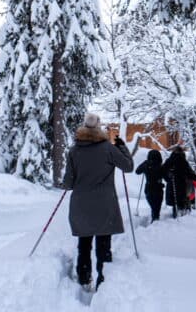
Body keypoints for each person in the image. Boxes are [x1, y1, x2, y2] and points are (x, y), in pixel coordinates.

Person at [62, 113, 133, 290]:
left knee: (84, 246)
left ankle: (84, 280)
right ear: (99, 127)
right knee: (103, 247)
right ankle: (103, 283)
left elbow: (68, 183)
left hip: (81, 206)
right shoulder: (108, 149)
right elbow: (128, 167)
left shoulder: (74, 151)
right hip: (104, 206)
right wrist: (122, 148)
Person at [162, 146, 196, 218]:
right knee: (181, 203)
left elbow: (162, 171)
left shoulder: (168, 160)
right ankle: (181, 218)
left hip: (171, 185)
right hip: (181, 186)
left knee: (175, 203)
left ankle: (176, 216)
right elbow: (189, 174)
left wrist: (168, 179)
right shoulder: (183, 161)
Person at [135, 149, 165, 222]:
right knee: (156, 208)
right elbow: (166, 177)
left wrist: (145, 163)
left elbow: (137, 171)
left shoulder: (146, 164)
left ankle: (154, 221)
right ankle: (155, 221)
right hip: (158, 189)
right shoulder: (160, 166)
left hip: (149, 189)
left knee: (153, 207)